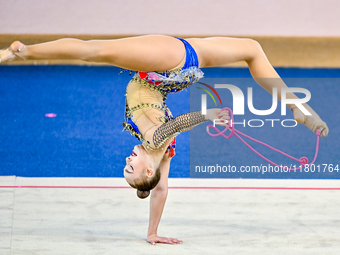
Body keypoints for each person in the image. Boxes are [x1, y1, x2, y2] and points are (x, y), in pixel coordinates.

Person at [0, 35, 329, 245]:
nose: (127, 160)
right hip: (165, 65)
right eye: (131, 168)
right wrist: (208, 116)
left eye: (125, 166)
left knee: (253, 50)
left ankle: (299, 109)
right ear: (146, 169)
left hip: (175, 74)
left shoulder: (160, 155)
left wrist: (152, 232)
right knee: (94, 50)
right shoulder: (157, 142)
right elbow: (176, 128)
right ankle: (24, 51)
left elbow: (159, 189)